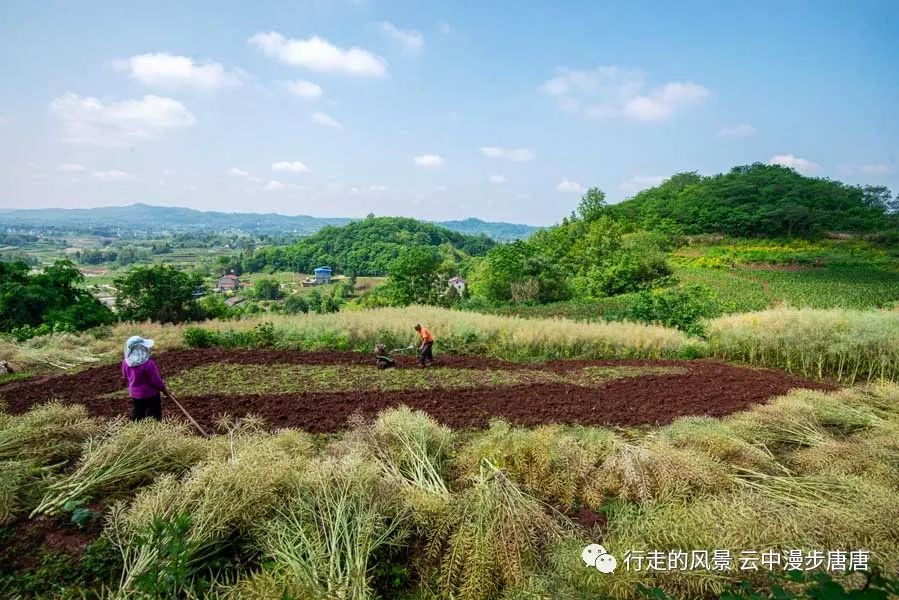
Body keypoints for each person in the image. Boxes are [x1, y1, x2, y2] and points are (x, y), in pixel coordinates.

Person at [121, 336, 167, 421]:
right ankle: (155, 429)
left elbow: (125, 375)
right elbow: (156, 381)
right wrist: (164, 390)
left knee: (138, 412)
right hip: (151, 394)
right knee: (154, 413)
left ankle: (137, 429)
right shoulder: (148, 364)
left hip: (135, 394)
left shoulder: (126, 362)